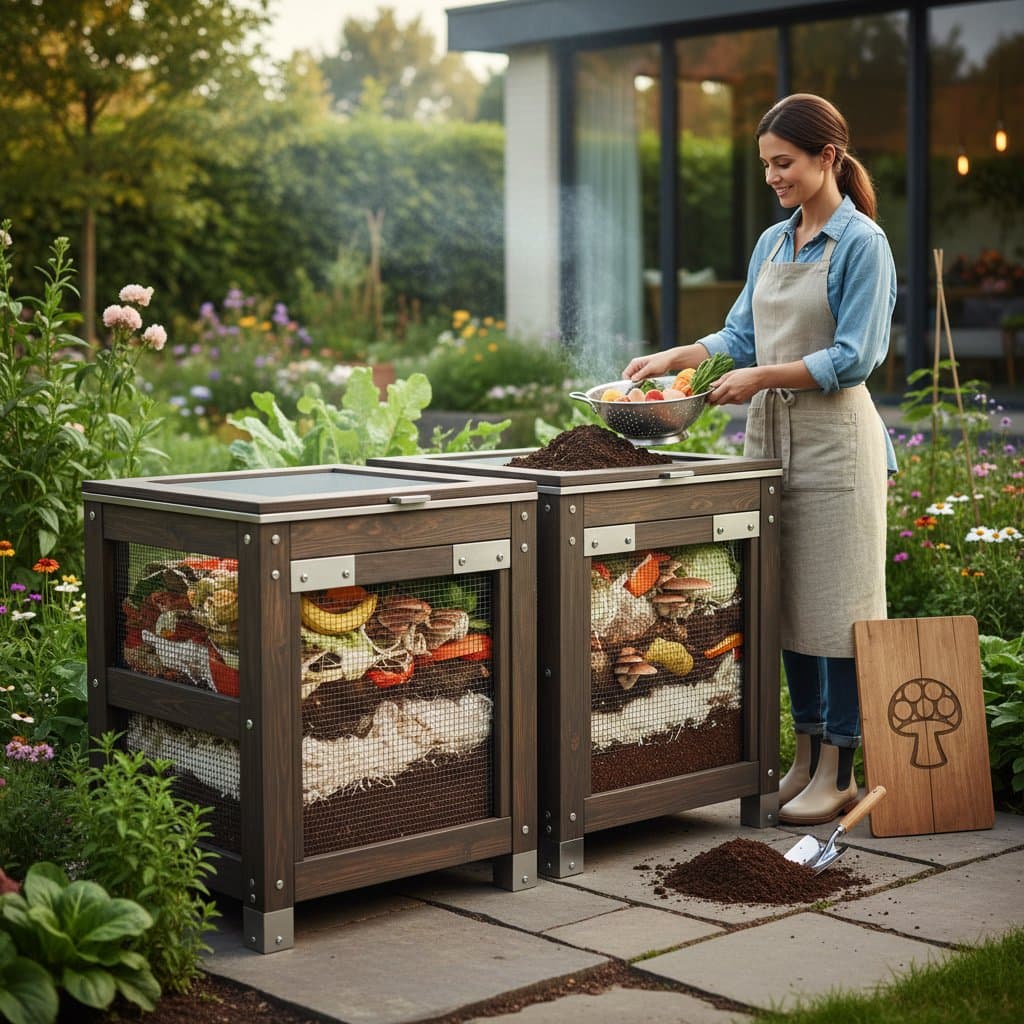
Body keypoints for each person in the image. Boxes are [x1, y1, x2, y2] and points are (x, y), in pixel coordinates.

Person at [622, 93, 897, 826]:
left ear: (826, 158)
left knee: (836, 610)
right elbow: (740, 337)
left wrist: (760, 379)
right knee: (785, 606)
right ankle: (804, 755)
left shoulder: (862, 244)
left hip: (837, 448)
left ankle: (840, 767)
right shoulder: (775, 244)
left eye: (784, 164)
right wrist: (678, 356)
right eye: (766, 166)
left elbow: (856, 356)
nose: (772, 177)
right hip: (770, 446)